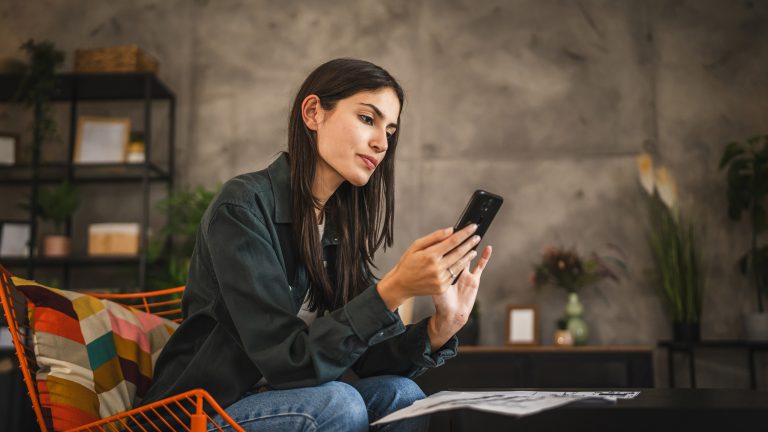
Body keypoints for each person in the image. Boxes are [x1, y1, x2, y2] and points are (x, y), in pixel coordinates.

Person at [140, 58, 493, 431]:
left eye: (390, 130)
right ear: (313, 113)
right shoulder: (242, 207)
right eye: (367, 119)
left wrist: (441, 327)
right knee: (338, 403)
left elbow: (366, 358)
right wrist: (396, 288)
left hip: (280, 402)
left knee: (401, 395)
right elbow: (288, 362)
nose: (382, 142)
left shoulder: (337, 225)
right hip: (202, 413)